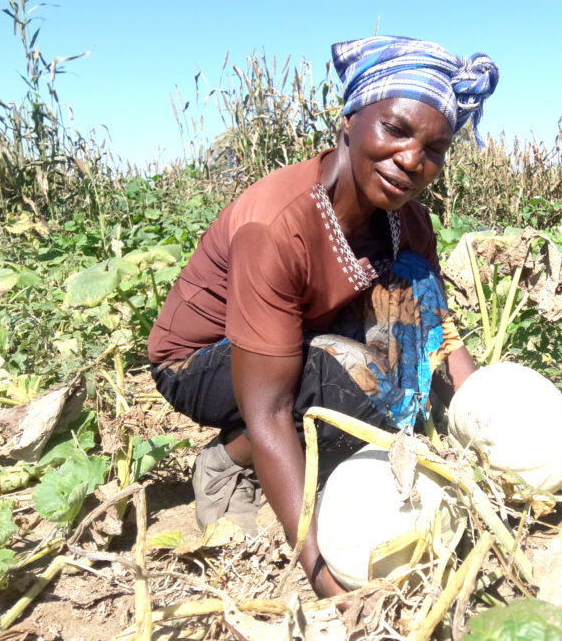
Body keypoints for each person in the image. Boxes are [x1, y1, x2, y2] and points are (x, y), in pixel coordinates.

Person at [147, 36, 498, 598]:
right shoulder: (277, 225)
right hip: (201, 362)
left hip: (295, 342)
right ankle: (227, 463)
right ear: (349, 121)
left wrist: (487, 426)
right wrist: (325, 579)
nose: (412, 160)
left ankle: (319, 433)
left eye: (435, 148)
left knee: (413, 365)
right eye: (396, 130)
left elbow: (438, 328)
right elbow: (269, 410)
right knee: (369, 387)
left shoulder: (408, 222)